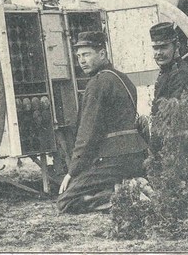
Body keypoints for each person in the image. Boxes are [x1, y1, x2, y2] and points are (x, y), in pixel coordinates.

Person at [57, 31, 147, 214]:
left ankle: (126, 195)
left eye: (87, 54)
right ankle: (127, 186)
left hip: (113, 159)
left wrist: (72, 172)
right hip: (136, 155)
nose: (82, 61)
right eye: (79, 56)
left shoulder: (97, 83)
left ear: (102, 54)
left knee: (66, 201)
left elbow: (87, 133)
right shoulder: (123, 78)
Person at [150, 22, 188, 116]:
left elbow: (176, 117)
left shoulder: (181, 75)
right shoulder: (168, 70)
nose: (159, 52)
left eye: (164, 47)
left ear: (177, 46)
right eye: (155, 48)